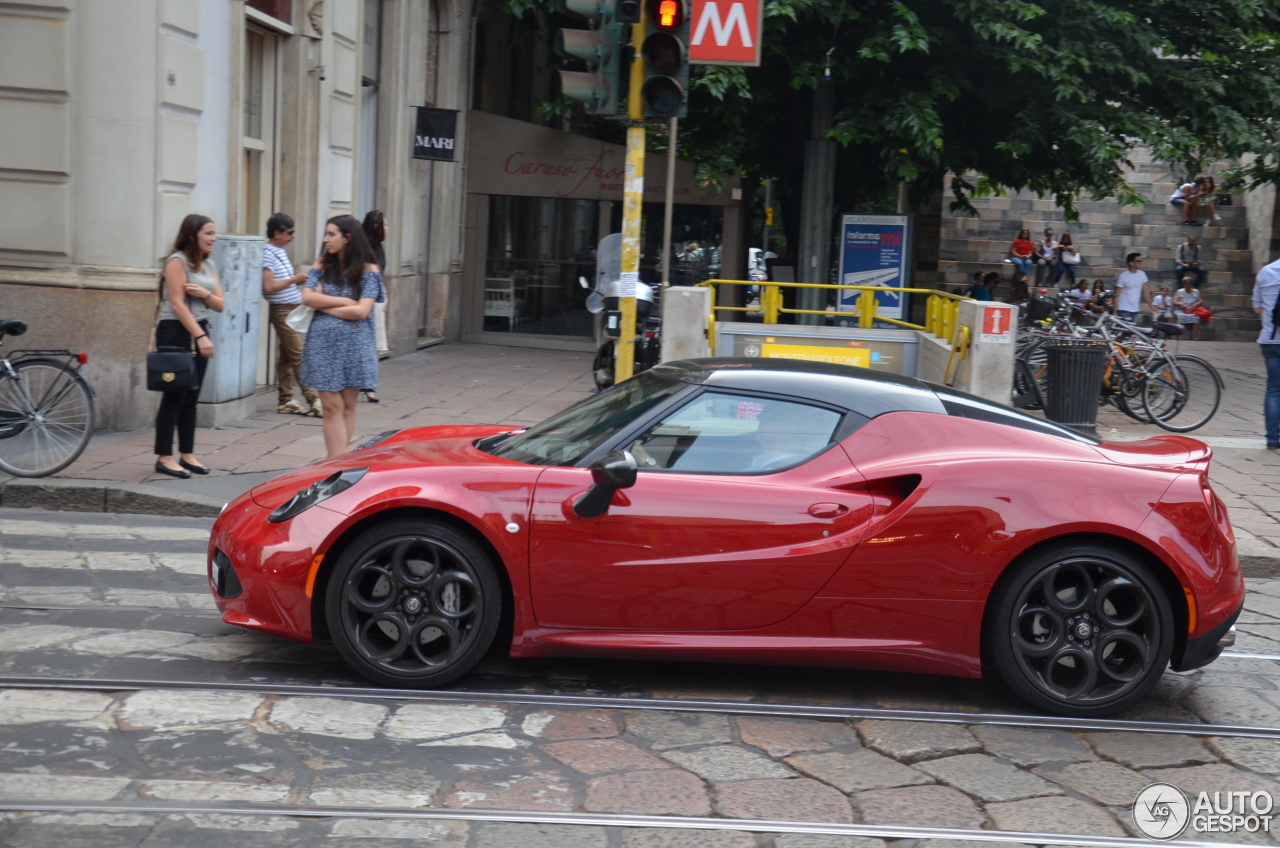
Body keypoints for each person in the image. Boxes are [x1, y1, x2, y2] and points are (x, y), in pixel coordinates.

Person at [300, 215, 386, 459]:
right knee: (331, 406)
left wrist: (323, 304)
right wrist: (345, 301)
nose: (326, 239)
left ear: (347, 238)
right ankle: (335, 465)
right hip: (323, 344)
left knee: (348, 407)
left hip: (355, 345)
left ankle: (337, 462)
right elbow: (307, 298)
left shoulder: (369, 270)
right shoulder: (322, 265)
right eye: (326, 234)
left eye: (331, 234)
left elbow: (362, 311)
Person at [154, 214, 225, 479]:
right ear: (192, 235)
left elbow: (220, 304)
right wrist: (200, 337)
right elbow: (177, 304)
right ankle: (164, 457)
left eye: (214, 233)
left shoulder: (209, 265)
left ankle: (187, 454)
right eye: (208, 233)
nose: (213, 238)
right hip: (175, 331)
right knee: (174, 396)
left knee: (192, 398)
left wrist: (204, 294)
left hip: (200, 328)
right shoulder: (177, 261)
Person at [263, 213, 321, 417]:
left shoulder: (278, 251)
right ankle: (314, 399)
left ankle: (285, 399)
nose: (293, 236)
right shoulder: (268, 252)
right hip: (282, 309)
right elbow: (268, 286)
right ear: (277, 233)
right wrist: (293, 280)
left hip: (291, 308)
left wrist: (295, 281)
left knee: (287, 356)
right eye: (290, 232)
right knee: (298, 355)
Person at [361, 210, 390, 402]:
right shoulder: (363, 249)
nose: (387, 229)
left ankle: (369, 385)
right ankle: (367, 386)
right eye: (385, 225)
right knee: (367, 346)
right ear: (376, 228)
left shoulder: (379, 247)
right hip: (365, 300)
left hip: (377, 299)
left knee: (375, 346)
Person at [1251, 255, 1280, 449]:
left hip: (1269, 339)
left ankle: (1272, 438)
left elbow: (1257, 308)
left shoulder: (1266, 272)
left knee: (1273, 389)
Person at [1113, 252, 1150, 323]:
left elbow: (1146, 292)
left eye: (1141, 261)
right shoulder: (1123, 276)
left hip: (1135, 310)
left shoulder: (1142, 274)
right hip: (1124, 309)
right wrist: (1115, 311)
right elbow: (1116, 294)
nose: (1140, 263)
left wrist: (1151, 306)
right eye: (1138, 261)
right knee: (1123, 331)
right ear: (1131, 263)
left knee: (1133, 333)